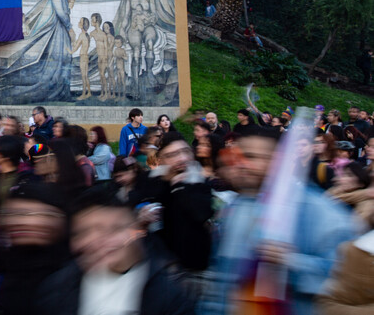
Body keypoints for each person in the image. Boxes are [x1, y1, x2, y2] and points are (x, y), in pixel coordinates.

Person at [200, 128, 361, 315]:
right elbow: (223, 280)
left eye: (252, 157)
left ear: (278, 160)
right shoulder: (238, 207)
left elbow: (348, 278)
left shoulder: (321, 211)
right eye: (238, 155)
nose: (240, 163)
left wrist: (292, 261)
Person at [37, 184, 196, 315]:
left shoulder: (170, 296)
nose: (96, 240)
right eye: (85, 231)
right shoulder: (56, 289)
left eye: (113, 229)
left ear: (136, 230)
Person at [135, 132, 214, 275]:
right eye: (172, 155)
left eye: (185, 151)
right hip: (158, 266)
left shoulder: (198, 180)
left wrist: (180, 187)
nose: (182, 158)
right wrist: (141, 216)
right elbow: (136, 206)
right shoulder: (151, 180)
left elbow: (202, 213)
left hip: (194, 266)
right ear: (160, 160)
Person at [0, 180, 69, 315]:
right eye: (11, 214)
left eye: (32, 214)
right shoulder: (11, 262)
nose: (19, 222)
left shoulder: (72, 275)